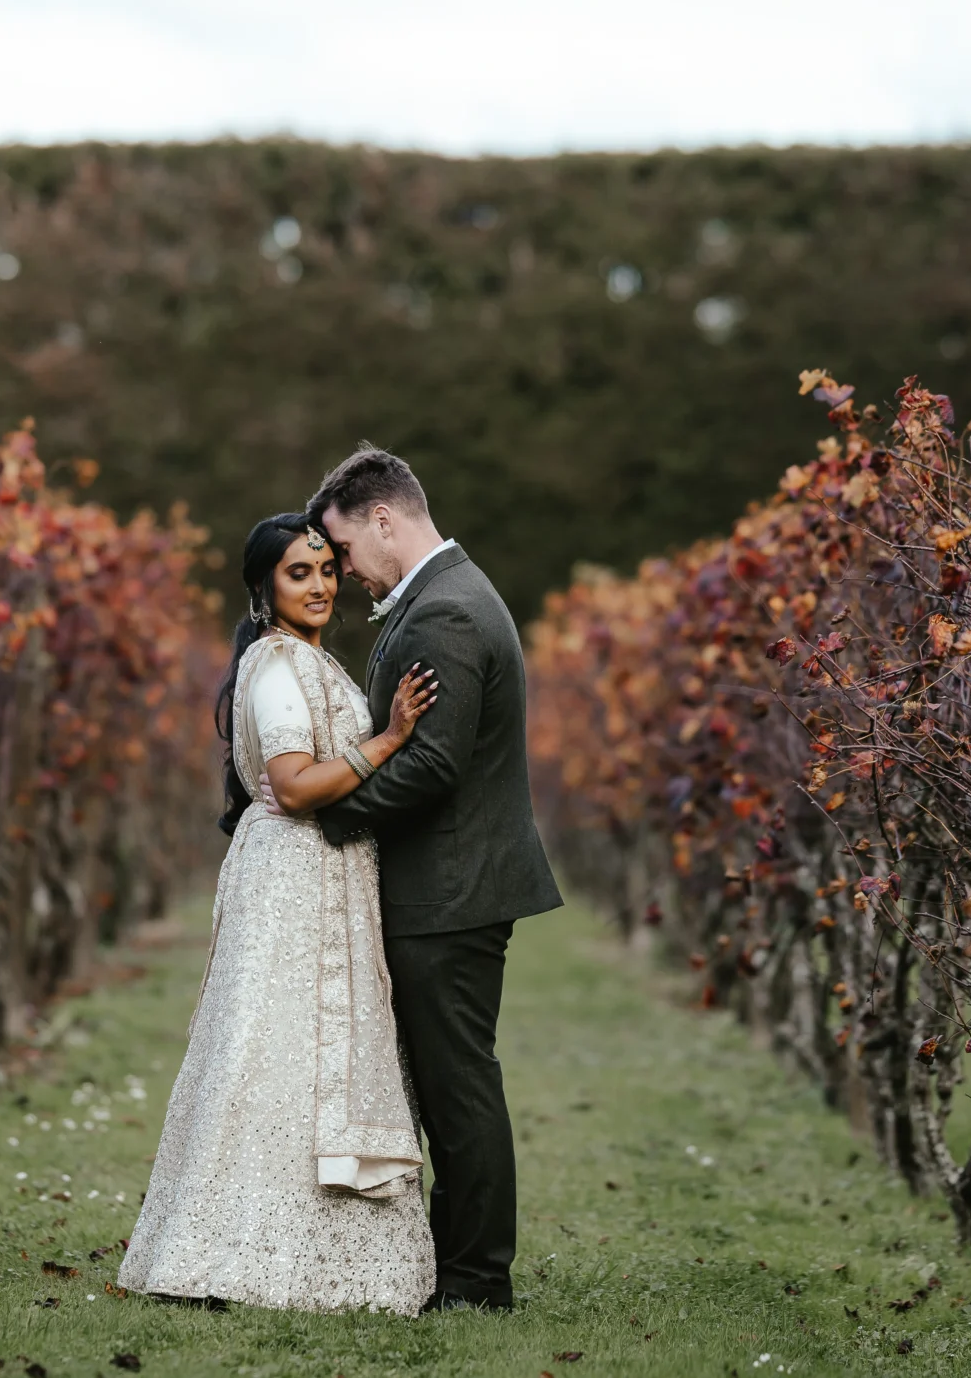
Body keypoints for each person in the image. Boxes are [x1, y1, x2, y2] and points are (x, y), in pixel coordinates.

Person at [117, 513, 441, 1313]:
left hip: (328, 872)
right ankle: (225, 1251)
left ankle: (321, 1256)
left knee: (317, 1046)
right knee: (267, 1040)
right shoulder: (272, 666)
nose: (323, 584)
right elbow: (295, 785)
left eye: (328, 568)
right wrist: (393, 736)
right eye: (301, 572)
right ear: (265, 586)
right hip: (289, 872)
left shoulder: (314, 662)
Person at [288, 445, 564, 1313]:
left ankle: (478, 1282)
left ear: (383, 519)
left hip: (447, 891)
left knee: (458, 1086)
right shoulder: (447, 595)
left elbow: (434, 766)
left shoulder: (445, 611)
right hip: (450, 884)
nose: (342, 572)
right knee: (451, 1082)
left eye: (343, 551)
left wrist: (323, 813)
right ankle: (457, 1268)